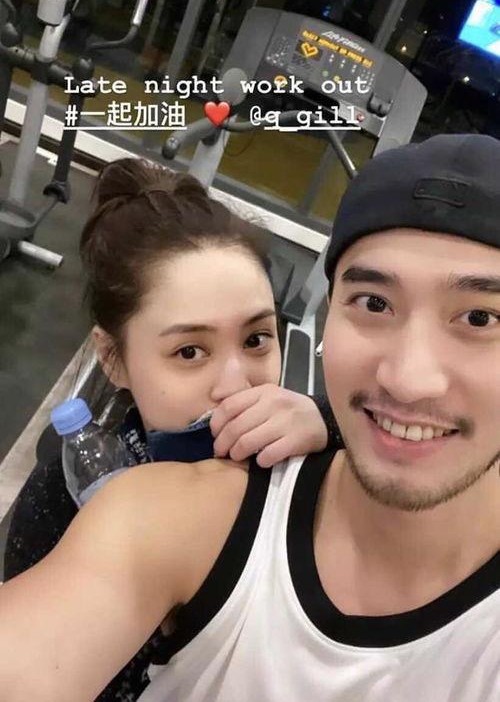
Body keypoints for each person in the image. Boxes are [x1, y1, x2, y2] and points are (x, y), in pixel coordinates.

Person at [1, 134, 499, 702]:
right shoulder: (140, 507)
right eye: (375, 303)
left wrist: (332, 423)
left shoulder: (292, 447)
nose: (408, 379)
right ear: (113, 359)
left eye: (480, 318)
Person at [2, 157, 338, 701]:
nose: (236, 386)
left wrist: (334, 426)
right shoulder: (65, 497)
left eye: (256, 340)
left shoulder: (320, 462)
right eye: (189, 352)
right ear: (112, 358)